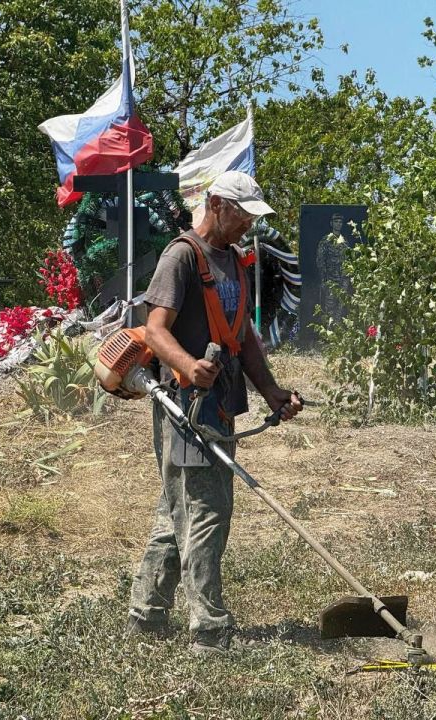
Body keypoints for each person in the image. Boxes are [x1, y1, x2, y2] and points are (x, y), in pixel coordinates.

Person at [127, 170, 303, 655]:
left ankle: (145, 614)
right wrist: (186, 366)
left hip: (221, 405)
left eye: (253, 216)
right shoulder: (180, 257)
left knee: (177, 510)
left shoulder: (235, 261)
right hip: (186, 404)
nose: (248, 224)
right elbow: (155, 330)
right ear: (218, 203)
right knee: (206, 512)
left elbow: (242, 335)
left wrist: (269, 390)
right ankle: (209, 630)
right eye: (242, 213)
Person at [316, 212, 350, 322]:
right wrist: (323, 279)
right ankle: (328, 334)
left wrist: (347, 278)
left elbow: (349, 261)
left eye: (340, 222)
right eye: (336, 221)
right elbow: (320, 261)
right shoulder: (325, 240)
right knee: (329, 307)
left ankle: (337, 334)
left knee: (340, 307)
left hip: (343, 279)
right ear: (331, 223)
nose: (338, 224)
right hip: (330, 279)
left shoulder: (345, 242)